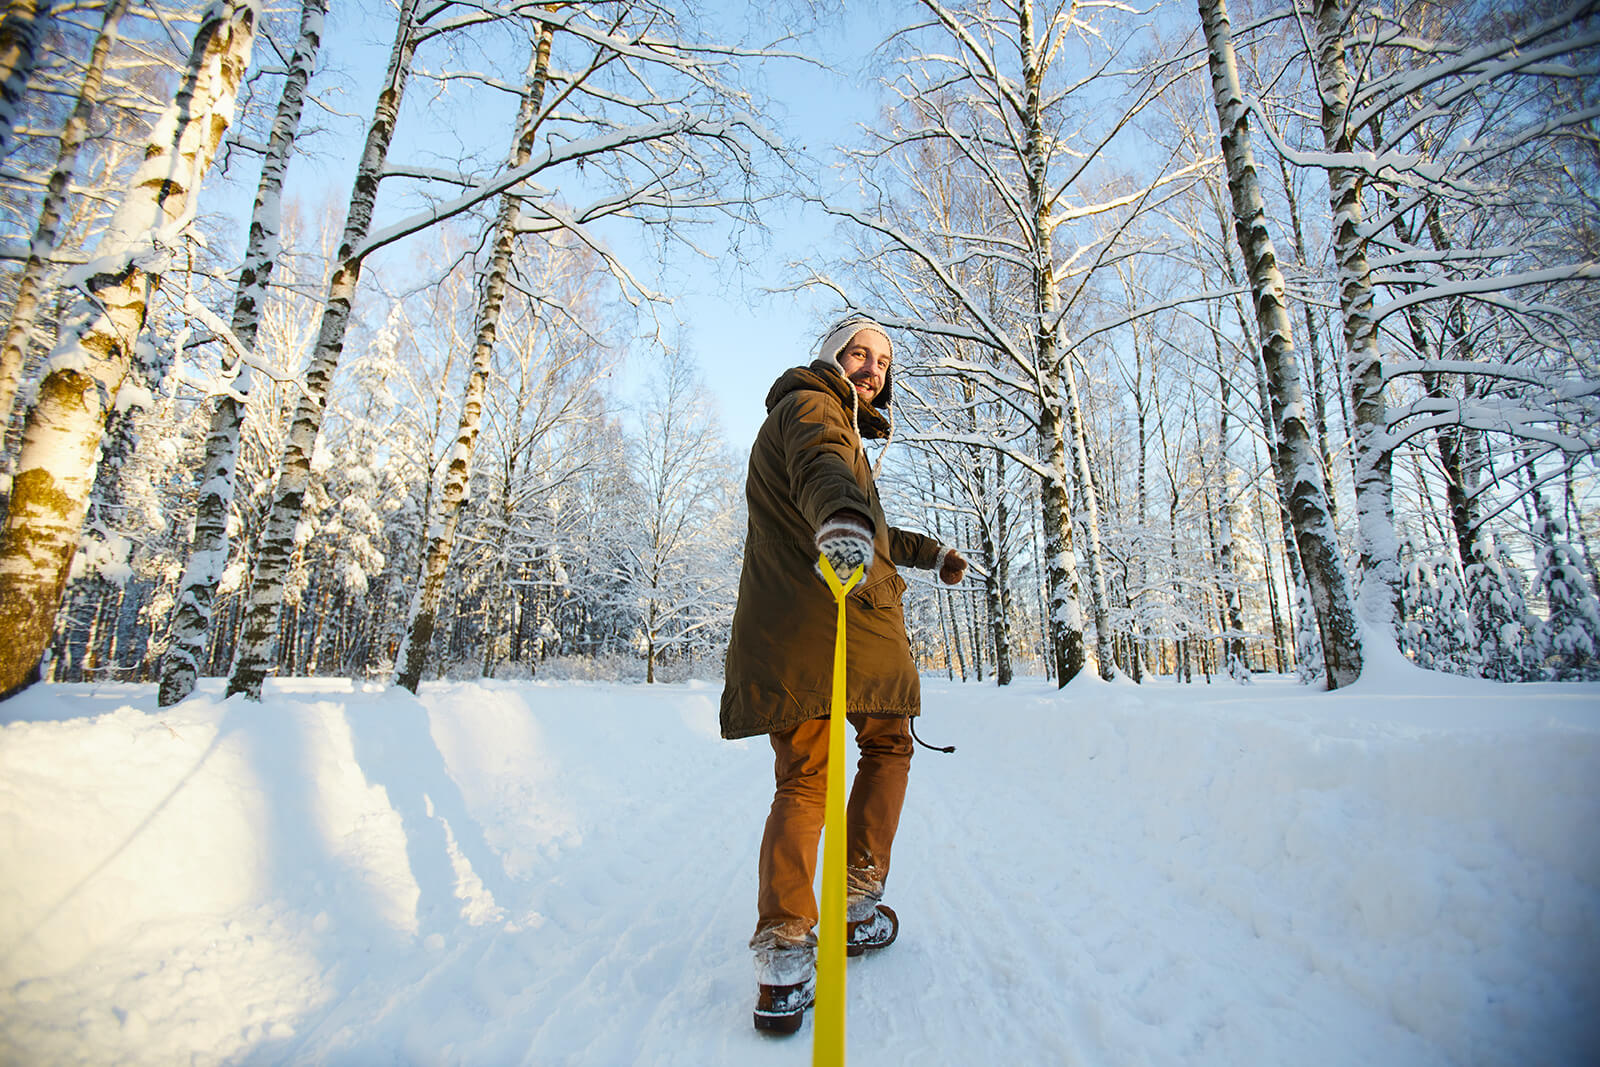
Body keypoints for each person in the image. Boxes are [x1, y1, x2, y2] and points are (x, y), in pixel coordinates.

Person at [720, 313, 968, 1034]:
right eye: (858, 353)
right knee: (876, 750)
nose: (872, 368)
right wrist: (842, 523)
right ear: (830, 359)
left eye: (883, 362)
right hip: (836, 620)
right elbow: (824, 470)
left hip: (813, 623)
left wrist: (931, 553)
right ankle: (853, 903)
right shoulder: (812, 406)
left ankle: (786, 955)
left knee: (810, 773)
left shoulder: (828, 420)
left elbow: (876, 524)